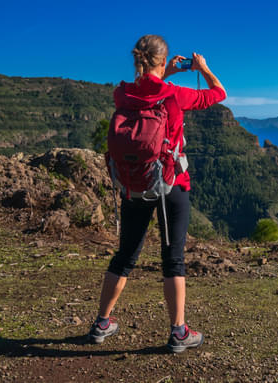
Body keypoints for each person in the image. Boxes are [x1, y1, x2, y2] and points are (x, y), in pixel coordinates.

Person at [88, 34, 226, 353]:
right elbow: (219, 94)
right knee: (173, 259)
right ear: (163, 61)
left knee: (125, 256)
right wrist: (202, 68)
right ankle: (178, 332)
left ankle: (101, 323)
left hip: (133, 185)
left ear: (138, 60)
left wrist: (165, 73)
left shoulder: (121, 95)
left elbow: (145, 91)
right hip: (170, 186)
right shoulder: (174, 95)